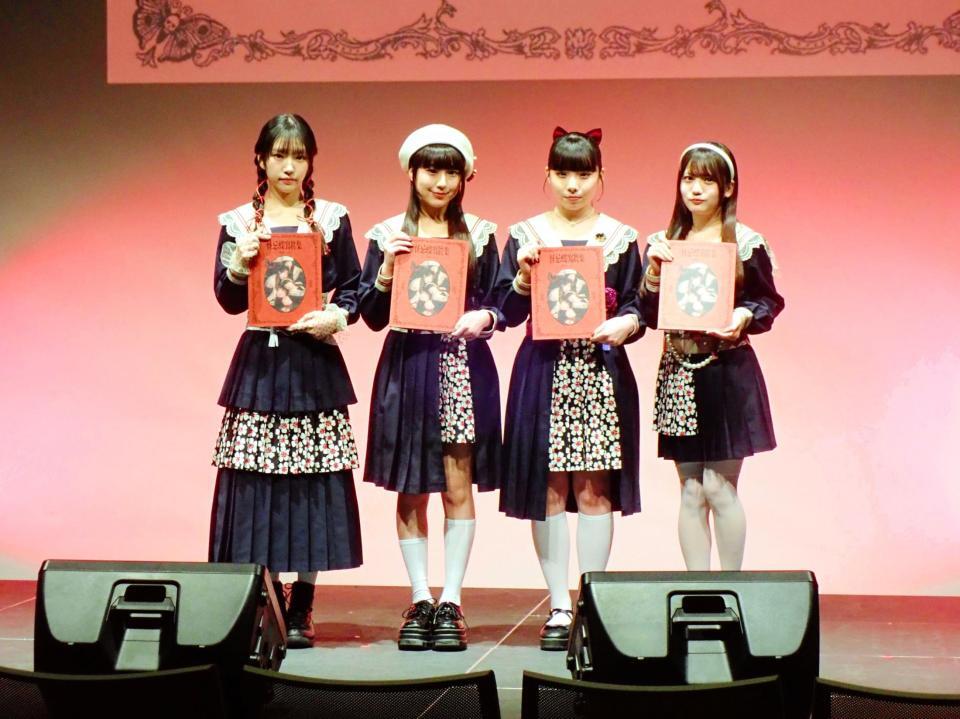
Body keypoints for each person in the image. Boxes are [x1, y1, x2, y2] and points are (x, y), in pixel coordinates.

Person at [209, 113, 363, 648]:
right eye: (280, 155)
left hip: (314, 359)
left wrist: (336, 316)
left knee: (314, 481)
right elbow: (227, 300)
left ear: (310, 162)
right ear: (261, 159)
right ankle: (268, 594)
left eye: (299, 157)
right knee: (261, 483)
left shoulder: (332, 219)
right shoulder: (238, 223)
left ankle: (303, 602)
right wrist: (238, 263)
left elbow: (354, 287)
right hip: (261, 362)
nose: (289, 167)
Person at [493, 127, 643, 651]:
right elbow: (506, 311)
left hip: (599, 371)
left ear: (600, 177)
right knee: (549, 487)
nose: (572, 185)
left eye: (583, 174)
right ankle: (559, 605)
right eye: (562, 174)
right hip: (543, 370)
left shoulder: (619, 237)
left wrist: (626, 323)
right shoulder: (525, 235)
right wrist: (520, 280)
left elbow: (637, 305)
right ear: (548, 176)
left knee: (594, 488)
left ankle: (591, 604)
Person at [358, 124, 501, 651]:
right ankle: (420, 599)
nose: (441, 181)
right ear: (412, 173)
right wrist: (384, 272)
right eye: (431, 170)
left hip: (461, 364)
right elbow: (371, 315)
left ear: (465, 177)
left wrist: (484, 316)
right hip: (407, 364)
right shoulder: (387, 234)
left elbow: (499, 301)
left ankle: (451, 602)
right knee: (410, 486)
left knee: (457, 486)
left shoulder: (480, 234)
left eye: (451, 172)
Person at [640, 141, 784, 571]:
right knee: (690, 491)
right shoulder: (665, 243)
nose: (696, 189)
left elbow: (768, 301)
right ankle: (698, 588)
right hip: (679, 371)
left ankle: (731, 585)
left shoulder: (746, 243)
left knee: (719, 487)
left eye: (707, 180)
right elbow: (647, 313)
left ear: (728, 187)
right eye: (689, 179)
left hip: (727, 370)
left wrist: (743, 315)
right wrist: (653, 271)